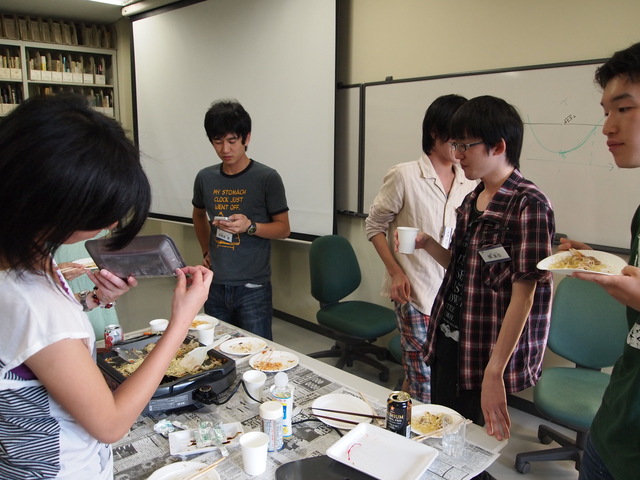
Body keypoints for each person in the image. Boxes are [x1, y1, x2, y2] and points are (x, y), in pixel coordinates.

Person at [0, 94, 213, 479]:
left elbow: (33, 344)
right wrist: (182, 320)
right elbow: (111, 424)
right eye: (102, 211)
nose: (112, 224)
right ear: (55, 204)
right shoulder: (32, 301)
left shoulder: (23, 256)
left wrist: (92, 299)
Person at [412, 95, 555, 441]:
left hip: (484, 346)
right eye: (455, 144)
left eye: (465, 145)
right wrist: (428, 244)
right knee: (441, 428)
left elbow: (524, 297)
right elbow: (461, 268)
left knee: (472, 442)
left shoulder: (529, 204)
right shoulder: (472, 199)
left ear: (498, 146)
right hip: (447, 332)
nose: (457, 154)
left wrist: (495, 371)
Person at [558, 42, 640, 480]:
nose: (607, 127)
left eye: (624, 108)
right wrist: (598, 260)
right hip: (615, 425)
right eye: (606, 111)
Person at [365, 94, 477, 403]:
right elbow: (374, 227)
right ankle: (416, 424)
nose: (461, 147)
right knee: (423, 378)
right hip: (415, 291)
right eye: (455, 138)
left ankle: (404, 411)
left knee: (441, 373)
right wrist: (395, 272)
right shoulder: (405, 175)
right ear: (435, 133)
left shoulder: (470, 181)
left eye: (465, 140)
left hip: (453, 295)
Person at [192, 99, 290, 340]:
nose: (225, 149)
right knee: (216, 349)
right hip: (215, 282)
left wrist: (250, 226)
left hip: (252, 287)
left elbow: (283, 229)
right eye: (218, 141)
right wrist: (206, 249)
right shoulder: (205, 177)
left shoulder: (267, 178)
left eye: (232, 141)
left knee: (256, 350)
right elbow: (198, 214)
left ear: (247, 138)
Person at [54, 231, 120, 338]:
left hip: (94, 287)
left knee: (104, 339)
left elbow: (105, 239)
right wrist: (51, 272)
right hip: (62, 292)